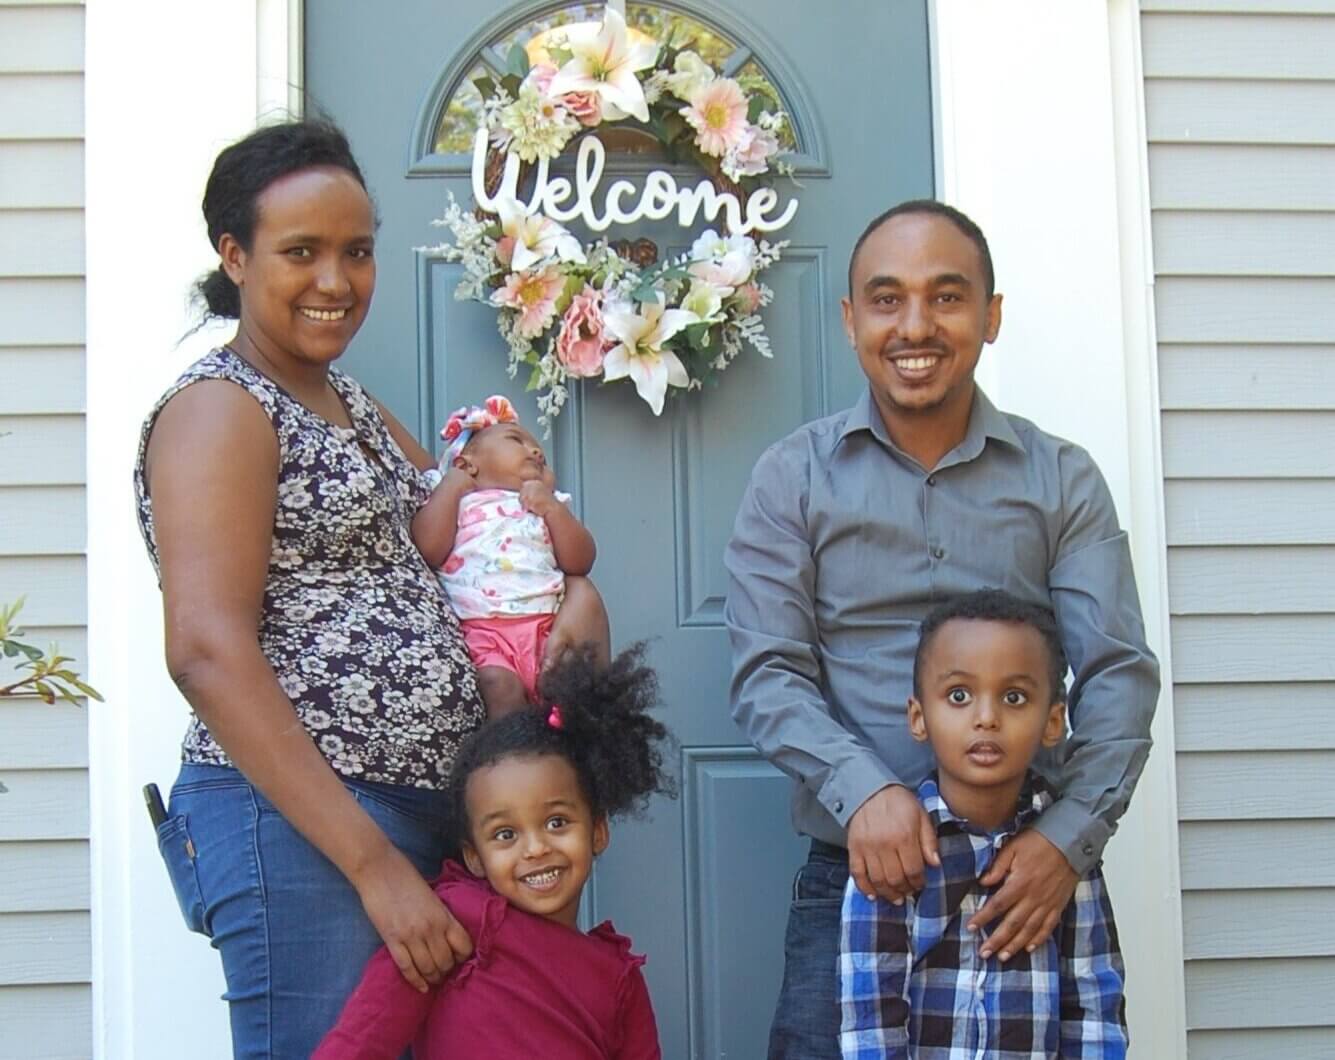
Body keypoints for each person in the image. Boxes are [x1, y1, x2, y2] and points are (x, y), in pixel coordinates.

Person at [134, 119, 608, 1058]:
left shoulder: (347, 400)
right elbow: (204, 650)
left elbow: (474, 543)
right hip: (308, 824)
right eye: (300, 252)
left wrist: (576, 601)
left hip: (421, 809)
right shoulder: (219, 410)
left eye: (356, 251)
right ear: (234, 255)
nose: (336, 280)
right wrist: (374, 867)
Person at [724, 200, 1159, 1058]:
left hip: (1024, 875)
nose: (914, 326)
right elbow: (766, 672)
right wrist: (865, 791)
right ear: (850, 320)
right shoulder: (791, 478)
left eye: (946, 297)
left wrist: (1066, 839)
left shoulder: (1061, 480)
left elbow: (1116, 672)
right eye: (886, 299)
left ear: (990, 316)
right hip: (855, 875)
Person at [313, 644, 669, 1059]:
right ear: (474, 857)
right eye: (505, 834)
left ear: (598, 831)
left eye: (556, 822)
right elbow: (364, 1037)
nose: (535, 848)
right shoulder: (450, 925)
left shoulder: (618, 975)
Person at [838, 590, 1127, 1059]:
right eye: (959, 696)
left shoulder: (1066, 853)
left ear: (1053, 722)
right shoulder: (896, 851)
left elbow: (1094, 1005)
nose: (987, 718)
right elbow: (870, 1020)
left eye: (1014, 697)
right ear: (918, 718)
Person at [411, 395, 599, 718]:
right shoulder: (459, 502)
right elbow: (428, 548)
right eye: (516, 440)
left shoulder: (547, 504)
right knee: (499, 686)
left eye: (541, 455)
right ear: (466, 464)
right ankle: (514, 745)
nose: (536, 452)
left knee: (565, 693)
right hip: (485, 635)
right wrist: (451, 487)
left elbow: (581, 561)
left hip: (548, 626)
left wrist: (552, 509)